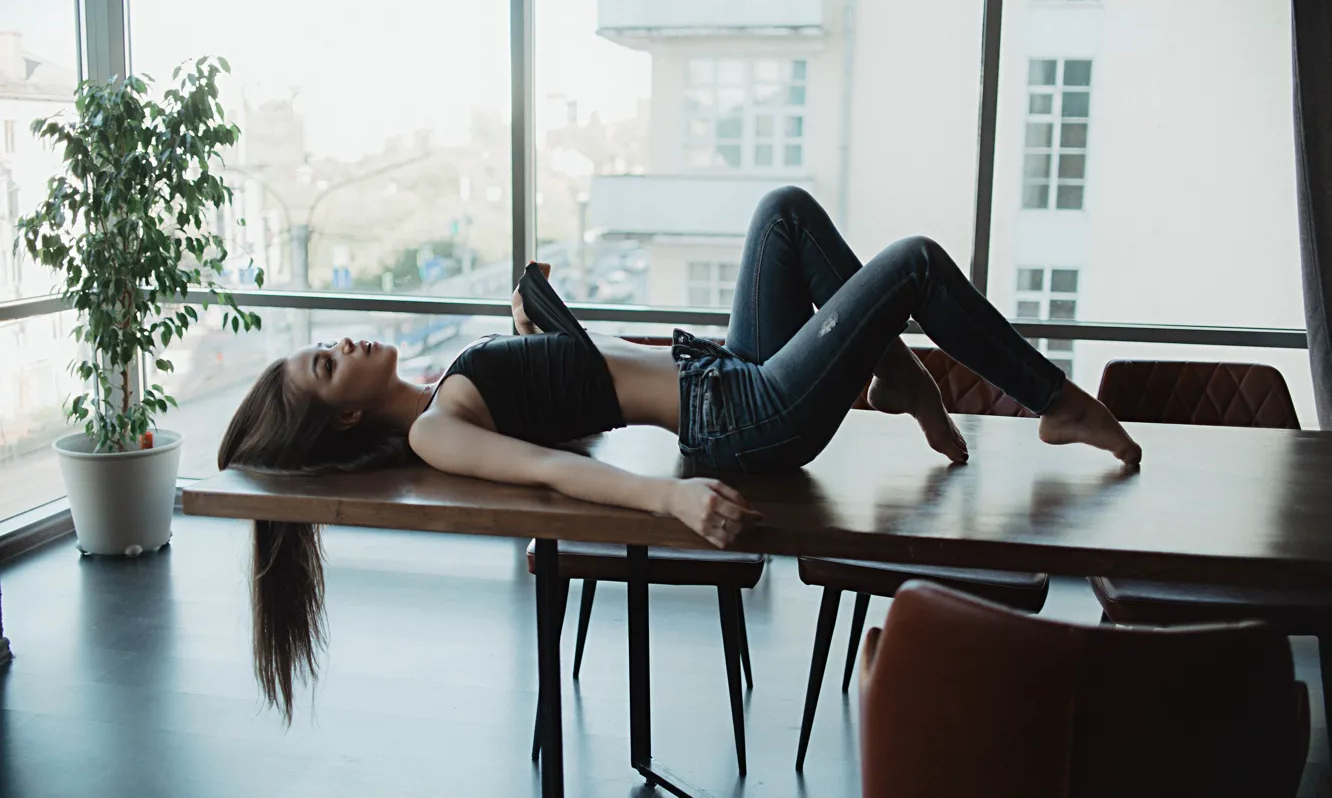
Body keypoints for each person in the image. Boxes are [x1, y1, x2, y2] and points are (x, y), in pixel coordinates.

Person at [219, 186, 1140, 722]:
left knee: (783, 213)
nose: (341, 343)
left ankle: (898, 380)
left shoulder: (440, 393)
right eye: (325, 365)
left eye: (327, 344)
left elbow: (572, 394)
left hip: (721, 370)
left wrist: (535, 321)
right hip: (743, 416)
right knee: (915, 264)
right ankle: (1057, 403)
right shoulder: (432, 430)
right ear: (341, 419)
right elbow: (556, 471)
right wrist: (671, 505)